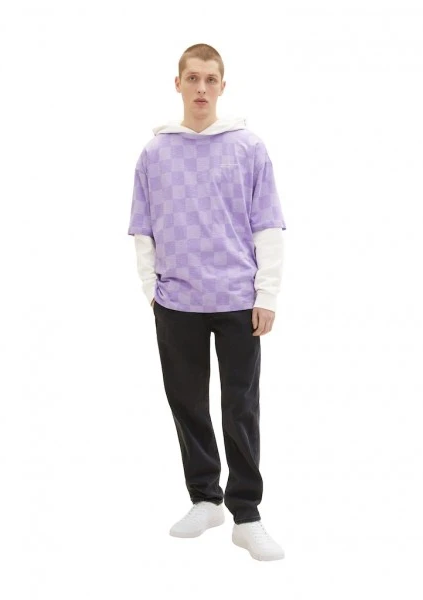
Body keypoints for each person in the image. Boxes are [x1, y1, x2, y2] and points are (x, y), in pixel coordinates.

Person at [127, 43, 286, 561]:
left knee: (241, 407)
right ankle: (204, 499)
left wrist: (267, 294)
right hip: (177, 302)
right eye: (192, 78)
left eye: (210, 79)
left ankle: (247, 514)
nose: (201, 88)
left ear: (222, 86)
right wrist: (152, 291)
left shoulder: (249, 147)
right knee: (187, 402)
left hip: (237, 298)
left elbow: (267, 225)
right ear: (178, 83)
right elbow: (143, 229)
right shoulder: (154, 153)